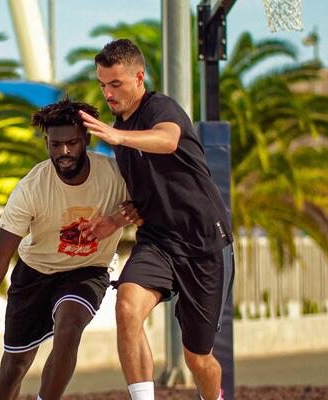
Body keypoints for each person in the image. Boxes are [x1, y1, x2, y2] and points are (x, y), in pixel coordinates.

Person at [0, 99, 139, 400]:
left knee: (70, 325)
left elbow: (151, 204)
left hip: (88, 270)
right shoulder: (32, 188)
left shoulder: (114, 175)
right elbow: (0, 254)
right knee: (15, 364)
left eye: (72, 143)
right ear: (46, 143)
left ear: (86, 139)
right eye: (55, 145)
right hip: (35, 273)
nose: (63, 152)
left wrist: (126, 215)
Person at [79, 39, 234, 400]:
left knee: (197, 358)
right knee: (127, 307)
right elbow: (142, 196)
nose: (108, 93)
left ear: (139, 76)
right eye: (103, 84)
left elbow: (167, 140)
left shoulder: (160, 108)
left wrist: (119, 136)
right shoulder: (120, 127)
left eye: (115, 84)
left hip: (204, 244)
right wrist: (115, 220)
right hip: (158, 242)